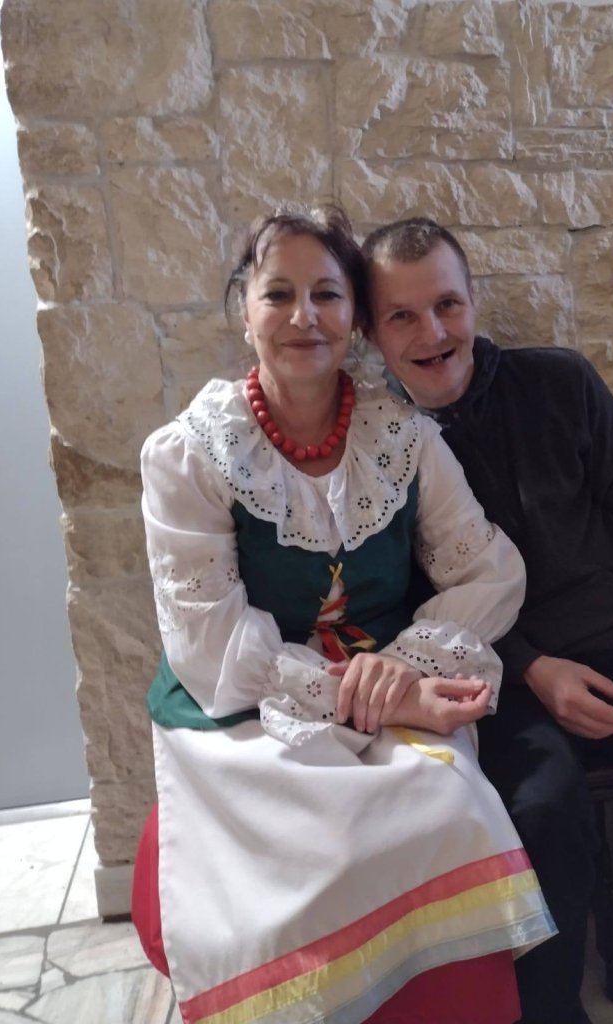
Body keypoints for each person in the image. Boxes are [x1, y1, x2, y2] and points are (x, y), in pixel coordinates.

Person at [131, 205, 556, 1024]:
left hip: (392, 681)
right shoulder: (190, 453)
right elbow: (210, 645)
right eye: (278, 294)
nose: (304, 316)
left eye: (327, 294)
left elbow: (490, 570)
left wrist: (403, 668)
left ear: (354, 316)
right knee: (298, 845)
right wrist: (372, 698)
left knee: (443, 807)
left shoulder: (403, 438)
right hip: (246, 708)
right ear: (243, 310)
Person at [361, 216, 613, 1024]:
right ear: (372, 334)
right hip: (501, 685)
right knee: (540, 814)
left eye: (446, 305)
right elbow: (403, 595)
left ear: (473, 301)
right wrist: (531, 667)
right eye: (402, 315)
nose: (432, 334)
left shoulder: (561, 383)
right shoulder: (380, 444)